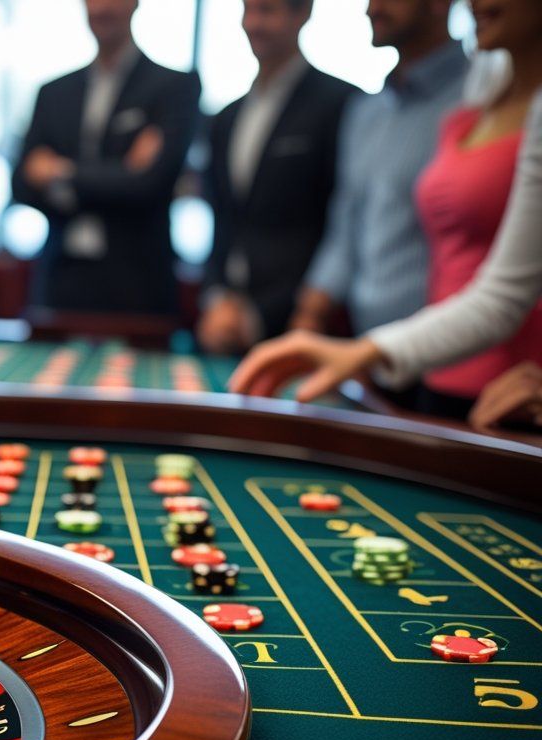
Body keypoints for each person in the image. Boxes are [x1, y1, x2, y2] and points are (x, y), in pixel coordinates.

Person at [230, 2, 542, 427]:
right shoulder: (381, 109)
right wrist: (314, 324)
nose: (370, 7)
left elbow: (499, 289)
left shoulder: (472, 95)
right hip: (406, 356)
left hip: (480, 365)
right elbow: (348, 229)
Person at [286, 0, 466, 351]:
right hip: (367, 348)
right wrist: (308, 318)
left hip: (449, 349)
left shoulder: (482, 97)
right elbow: (345, 229)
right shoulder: (366, 111)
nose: (372, 9)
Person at [12, 0, 200, 317]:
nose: (101, 8)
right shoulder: (53, 93)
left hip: (138, 289)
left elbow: (148, 185)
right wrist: (120, 174)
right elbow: (22, 185)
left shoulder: (173, 87)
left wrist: (59, 172)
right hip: (60, 283)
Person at [196, 0, 358, 354]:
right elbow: (223, 223)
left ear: (303, 13)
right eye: (247, 10)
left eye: (267, 10)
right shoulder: (227, 117)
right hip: (223, 325)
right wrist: (216, 298)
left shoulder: (341, 104)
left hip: (302, 325)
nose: (253, 23)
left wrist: (260, 314)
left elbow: (342, 226)